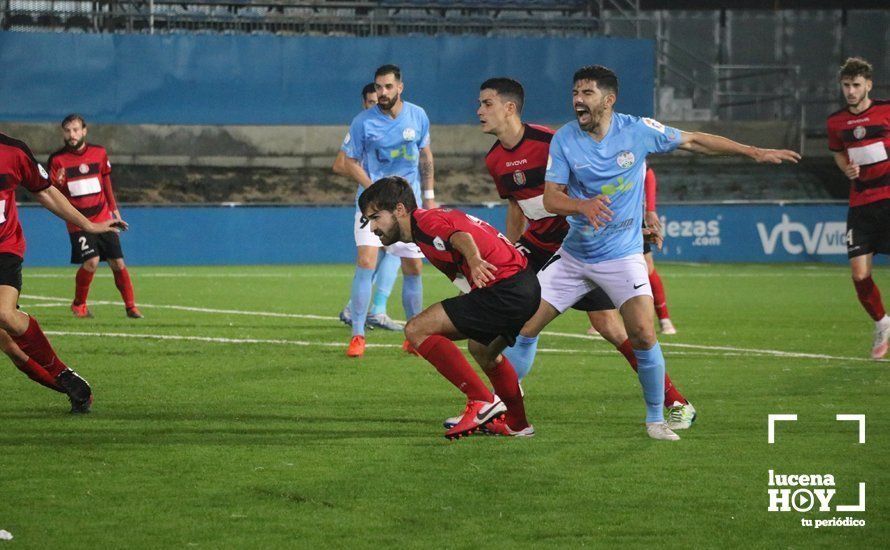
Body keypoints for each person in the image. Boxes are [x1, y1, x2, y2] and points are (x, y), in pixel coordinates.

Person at [519, 65, 800, 440]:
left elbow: (694, 140)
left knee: (643, 334)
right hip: (575, 256)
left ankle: (655, 419)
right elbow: (552, 198)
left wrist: (752, 151)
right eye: (575, 93)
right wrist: (580, 206)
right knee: (524, 327)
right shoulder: (566, 138)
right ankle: (498, 406)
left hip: (622, 255)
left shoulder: (638, 131)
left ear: (608, 99)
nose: (577, 100)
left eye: (587, 93)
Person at [469, 77, 694, 430]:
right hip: (538, 247)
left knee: (609, 325)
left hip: (582, 247)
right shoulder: (495, 159)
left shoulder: (551, 140)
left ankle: (675, 401)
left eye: (486, 104)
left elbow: (637, 169)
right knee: (519, 322)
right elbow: (516, 206)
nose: (479, 111)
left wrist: (648, 212)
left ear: (509, 108)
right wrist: (511, 251)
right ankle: (500, 405)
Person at [359, 176, 535, 439]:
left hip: (505, 289)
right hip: (524, 287)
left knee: (417, 329)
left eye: (375, 217)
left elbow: (460, 237)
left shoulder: (425, 222)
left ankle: (482, 401)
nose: (372, 228)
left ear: (399, 209)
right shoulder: (428, 225)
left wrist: (474, 260)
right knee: (483, 351)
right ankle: (518, 425)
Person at [1, 131, 124, 412]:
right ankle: (75, 389)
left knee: (4, 313)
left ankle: (61, 373)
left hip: (3, 247)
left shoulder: (13, 152)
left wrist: (88, 225)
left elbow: (45, 191)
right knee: (9, 345)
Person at [339, 64, 436, 358]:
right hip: (373, 206)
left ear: (400, 88)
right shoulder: (362, 122)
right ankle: (357, 335)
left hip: (408, 206)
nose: (382, 93)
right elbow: (349, 162)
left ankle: (414, 336)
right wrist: (374, 190)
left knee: (413, 267)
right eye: (378, 87)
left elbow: (425, 155)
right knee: (367, 261)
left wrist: (430, 198)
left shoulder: (418, 116)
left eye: (388, 87)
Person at [47, 114, 142, 319]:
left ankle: (131, 307)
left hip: (103, 218)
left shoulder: (99, 153)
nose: (72, 134)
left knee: (118, 262)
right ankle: (79, 304)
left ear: (84, 131)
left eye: (75, 130)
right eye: (67, 131)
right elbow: (51, 192)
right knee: (92, 261)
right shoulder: (56, 160)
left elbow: (106, 182)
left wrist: (114, 210)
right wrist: (58, 184)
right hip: (78, 222)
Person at [826, 57, 890, 359]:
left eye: (855, 85)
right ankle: (882, 324)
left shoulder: (886, 111)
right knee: (859, 275)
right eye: (846, 85)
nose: (850, 91)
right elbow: (839, 153)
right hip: (861, 205)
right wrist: (846, 169)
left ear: (868, 85)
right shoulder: (836, 122)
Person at [334, 83, 403, 332]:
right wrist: (368, 177)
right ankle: (370, 311)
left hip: (396, 201)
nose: (377, 105)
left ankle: (368, 309)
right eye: (371, 102)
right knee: (372, 257)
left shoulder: (397, 125)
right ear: (364, 104)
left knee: (394, 252)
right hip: (372, 202)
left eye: (380, 100)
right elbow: (340, 164)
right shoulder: (362, 127)